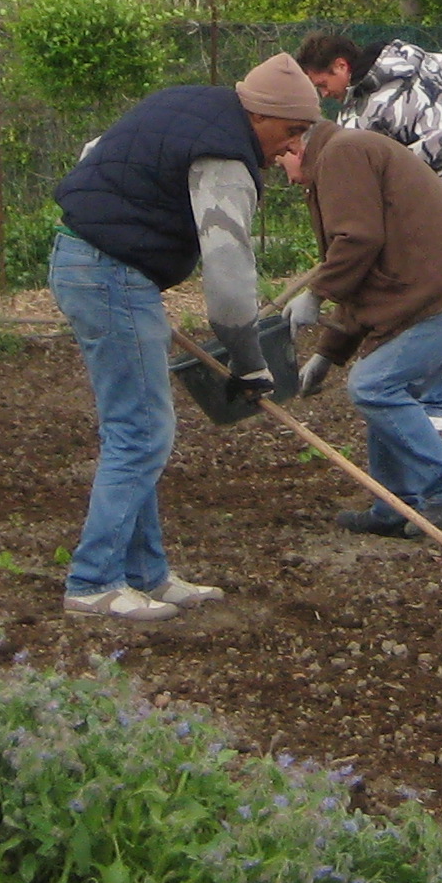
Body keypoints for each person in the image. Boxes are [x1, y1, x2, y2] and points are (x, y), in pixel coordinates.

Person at [47, 53, 317, 623]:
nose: (292, 147)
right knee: (141, 430)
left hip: (94, 263)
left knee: (136, 427)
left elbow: (96, 152)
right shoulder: (225, 157)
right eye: (291, 131)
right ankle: (93, 582)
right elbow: (229, 287)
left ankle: (146, 574)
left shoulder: (185, 105)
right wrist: (250, 363)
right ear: (260, 114)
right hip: (111, 274)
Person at [281, 116, 442, 537]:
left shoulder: (341, 153)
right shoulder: (345, 153)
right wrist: (326, 355)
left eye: (279, 160)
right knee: (388, 385)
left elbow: (358, 240)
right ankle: (395, 504)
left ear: (295, 146)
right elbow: (364, 274)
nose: (280, 172)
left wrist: (317, 293)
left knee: (374, 386)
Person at [294, 33, 442, 431]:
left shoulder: (362, 114)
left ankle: (434, 408)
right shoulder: (429, 60)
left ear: (341, 66)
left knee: (428, 300)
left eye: (323, 84)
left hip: (438, 208)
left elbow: (376, 179)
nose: (325, 95)